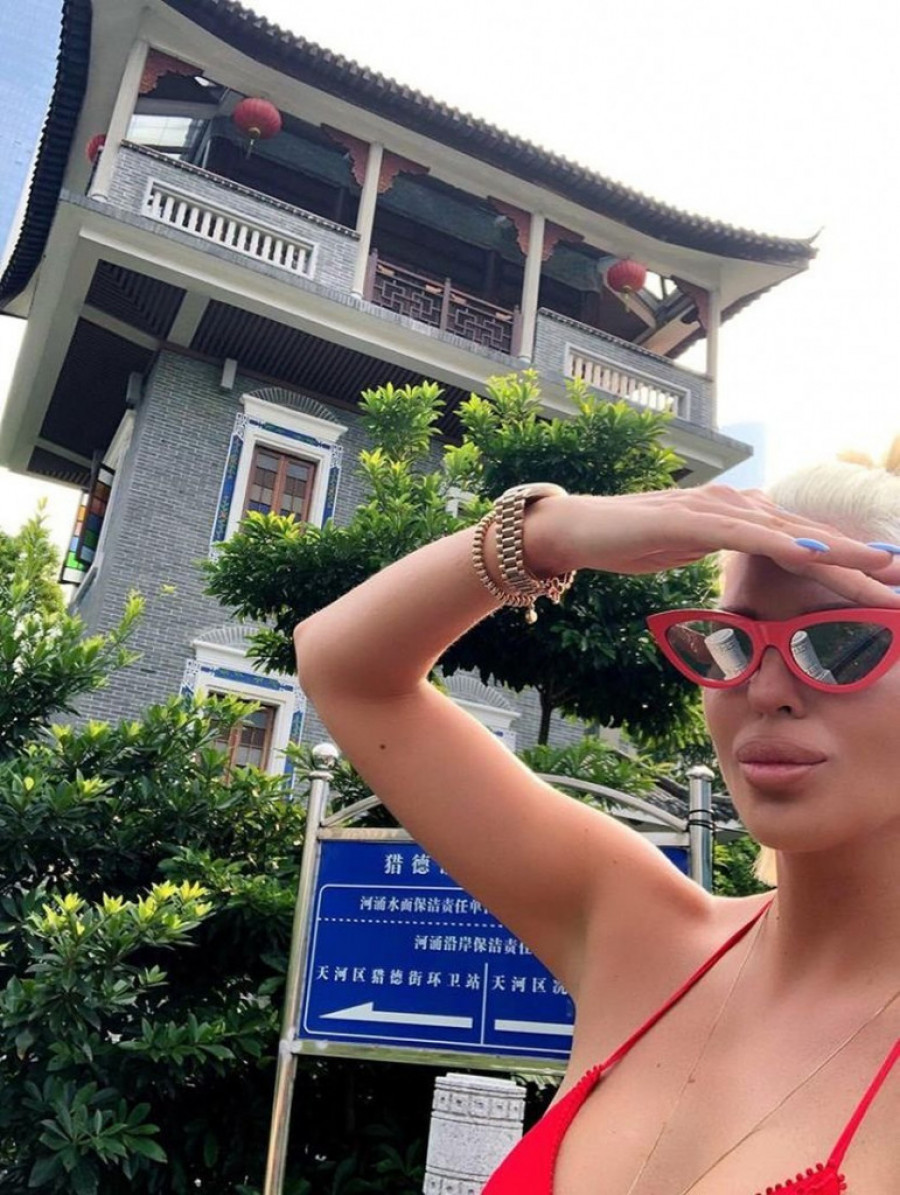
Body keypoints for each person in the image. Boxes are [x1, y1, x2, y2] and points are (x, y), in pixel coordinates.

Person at [293, 445, 900, 1195]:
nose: (765, 689)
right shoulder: (645, 939)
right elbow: (343, 667)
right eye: (732, 642)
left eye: (842, 644)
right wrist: (549, 532)